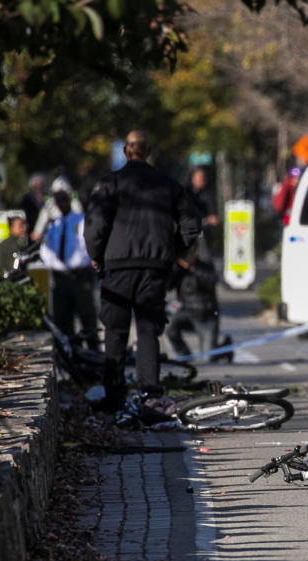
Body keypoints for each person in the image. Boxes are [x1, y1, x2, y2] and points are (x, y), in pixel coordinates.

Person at [84, 130, 201, 411]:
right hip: (155, 268)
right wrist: (173, 249)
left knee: (115, 331)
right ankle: (150, 393)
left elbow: (95, 225)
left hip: (117, 268)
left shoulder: (110, 184)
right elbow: (192, 223)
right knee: (148, 331)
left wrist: (96, 257)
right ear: (148, 152)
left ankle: (114, 397)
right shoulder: (168, 184)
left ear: (126, 151)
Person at [166, 212, 231, 363]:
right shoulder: (178, 268)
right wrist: (177, 267)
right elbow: (167, 286)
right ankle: (185, 356)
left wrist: (193, 267)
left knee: (209, 359)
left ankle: (226, 347)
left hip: (206, 316)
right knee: (170, 328)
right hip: (187, 313)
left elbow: (212, 280)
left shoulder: (204, 265)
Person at [40, 184, 99, 350]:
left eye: (64, 199)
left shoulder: (81, 220)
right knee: (63, 320)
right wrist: (59, 265)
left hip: (80, 275)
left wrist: (73, 263)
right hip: (60, 277)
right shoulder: (54, 224)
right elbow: (46, 250)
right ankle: (74, 355)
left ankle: (94, 354)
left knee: (87, 317)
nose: (62, 203)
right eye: (58, 200)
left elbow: (86, 247)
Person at [31, 176, 83, 241]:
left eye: (64, 197)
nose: (62, 201)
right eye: (58, 197)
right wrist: (38, 231)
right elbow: (43, 217)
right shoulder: (50, 204)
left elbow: (79, 218)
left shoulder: (74, 202)